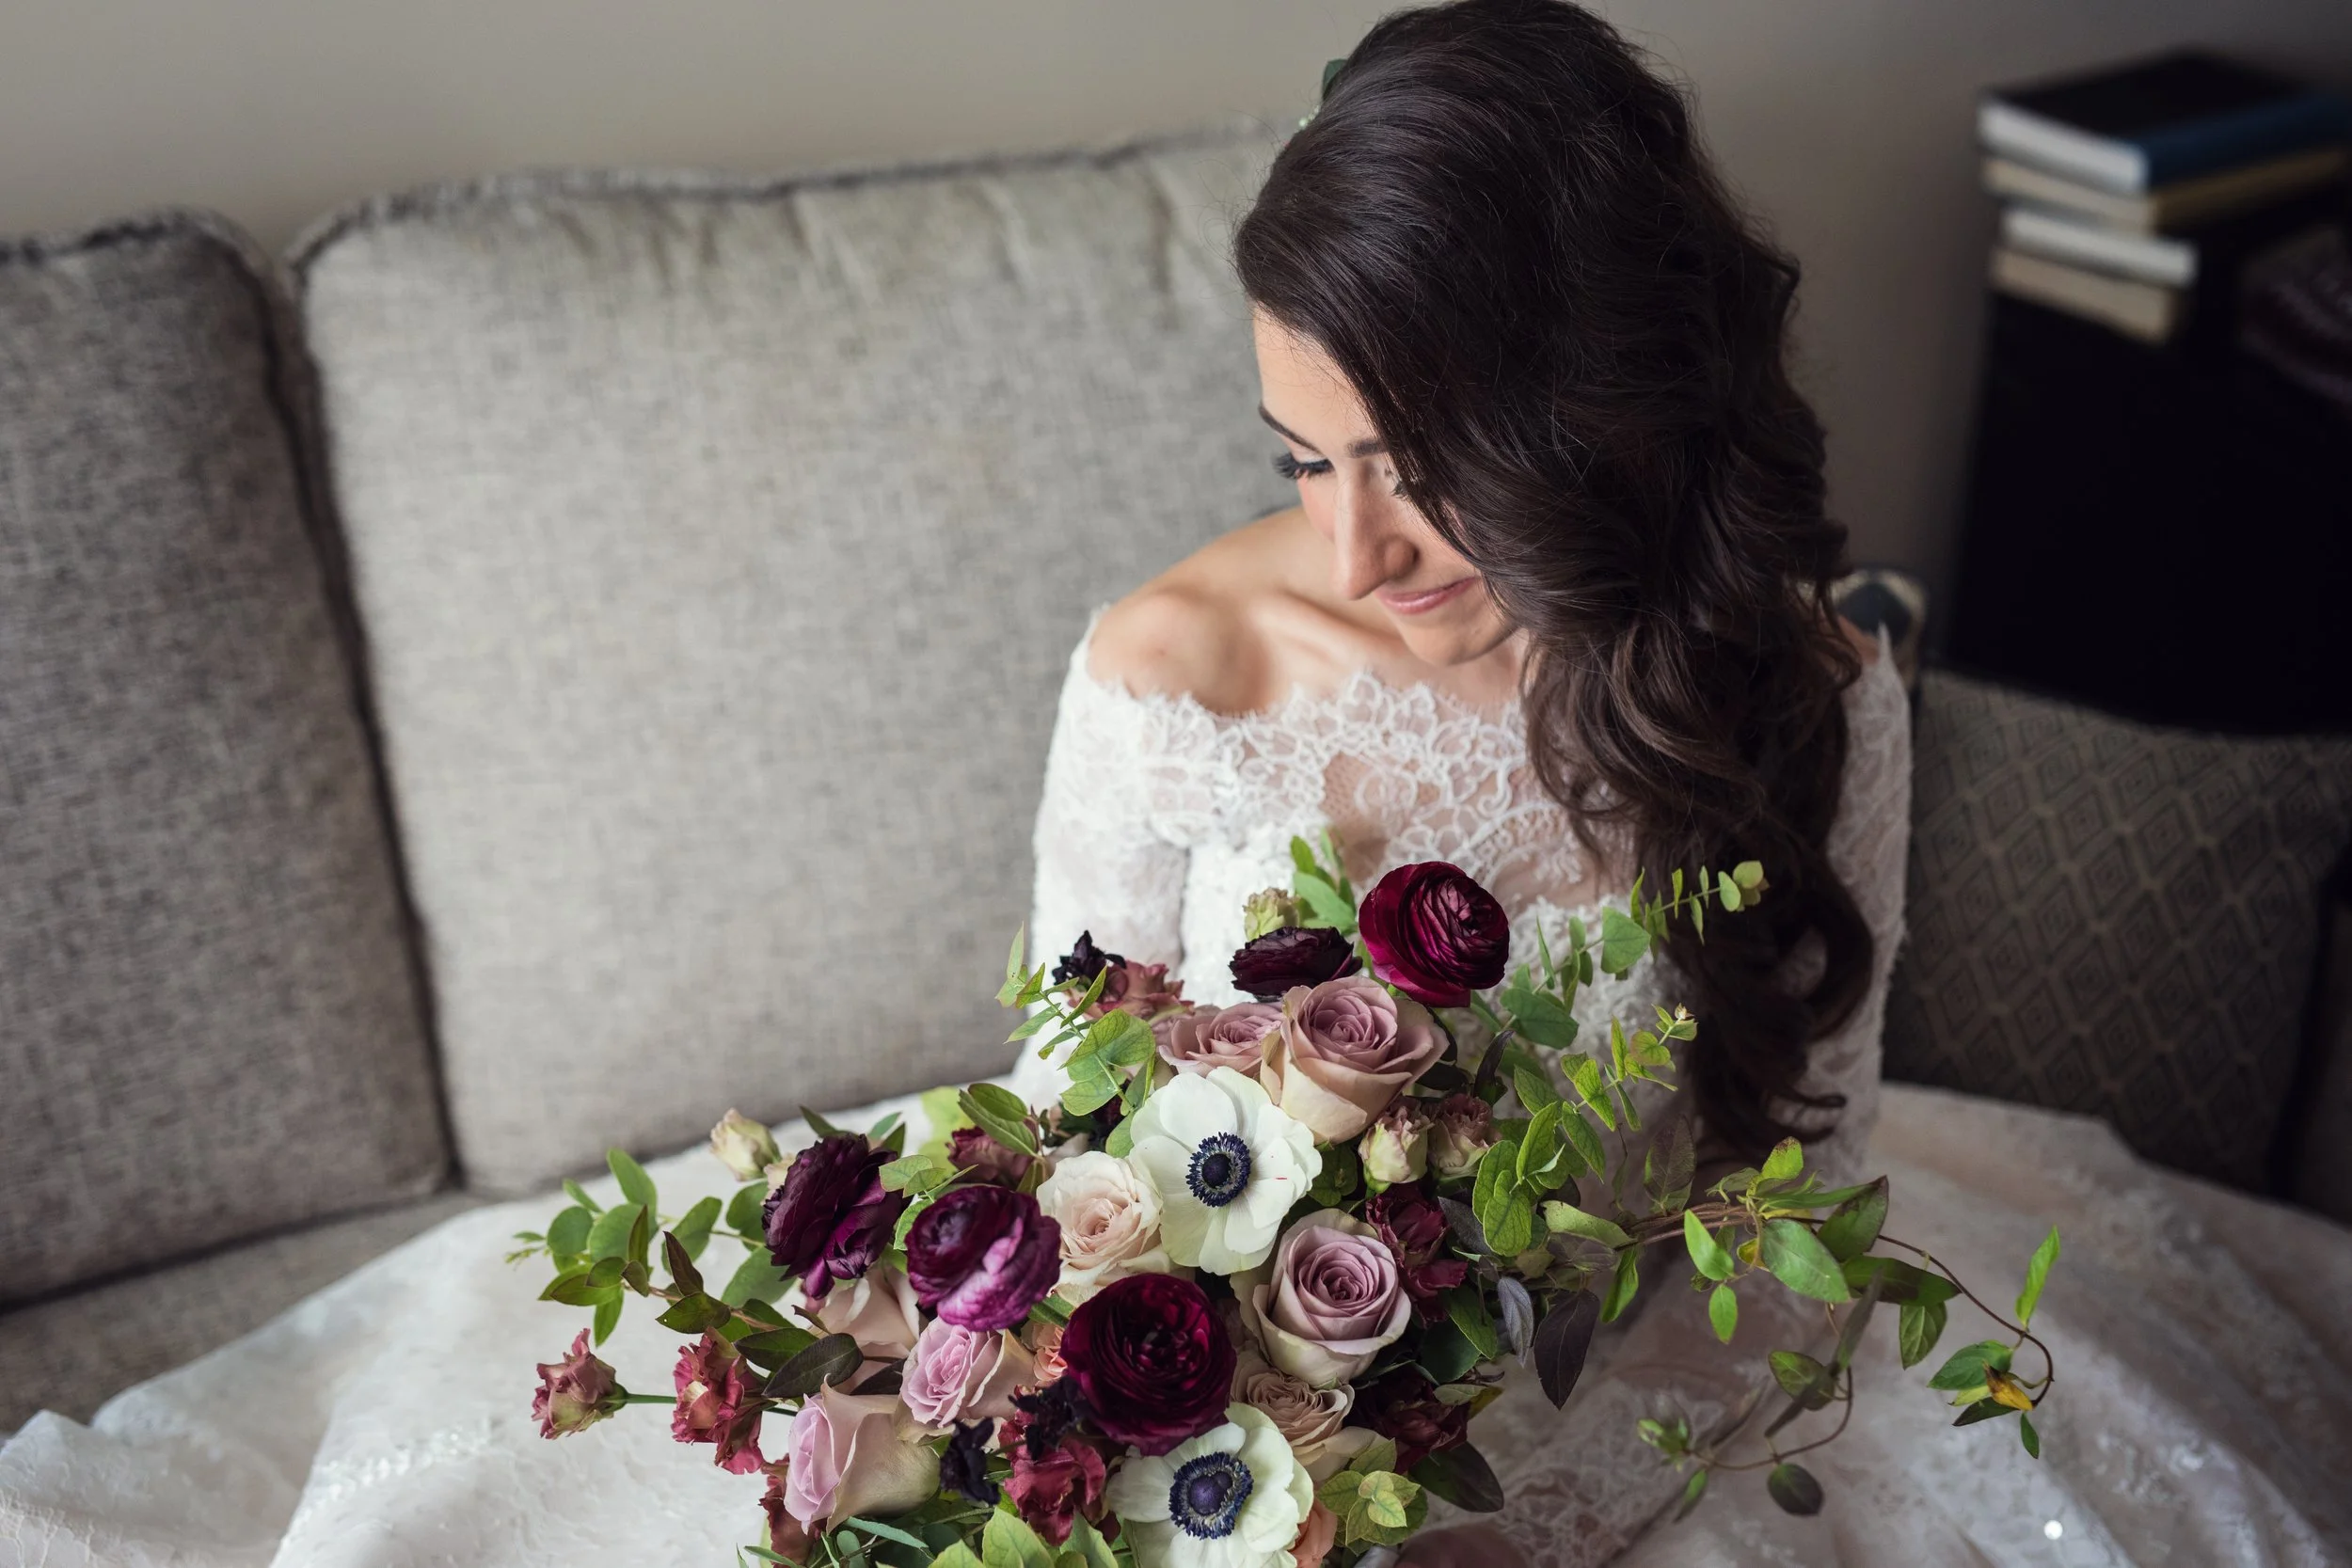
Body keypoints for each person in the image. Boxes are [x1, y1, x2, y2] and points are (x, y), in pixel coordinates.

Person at [1017, 3, 2352, 1564]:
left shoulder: (1808, 690)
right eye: (1304, 459)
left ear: (1599, 409)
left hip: (1666, 1394)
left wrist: (1537, 1527)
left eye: (1421, 462)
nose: (1354, 549)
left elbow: (1810, 1184)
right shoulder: (1171, 671)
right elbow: (1072, 1144)